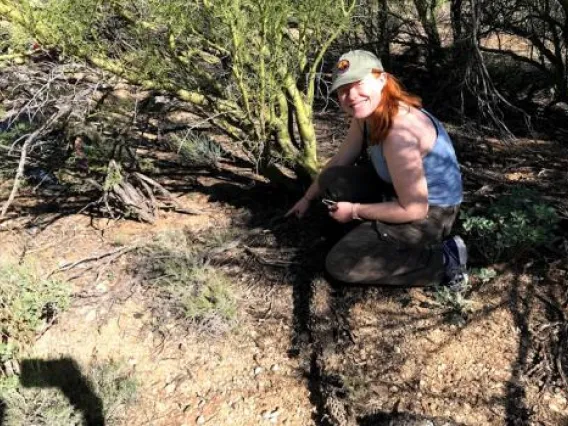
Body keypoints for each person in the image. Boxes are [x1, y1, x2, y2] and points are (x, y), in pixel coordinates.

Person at [286, 50, 467, 289]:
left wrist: (354, 211)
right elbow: (341, 159)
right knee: (332, 178)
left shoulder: (400, 131)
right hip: (394, 189)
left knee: (342, 265)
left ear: (381, 79)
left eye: (358, 84)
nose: (351, 96)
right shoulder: (366, 115)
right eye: (342, 90)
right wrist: (307, 198)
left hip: (432, 212)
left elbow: (414, 208)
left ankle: (444, 259)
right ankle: (370, 232)